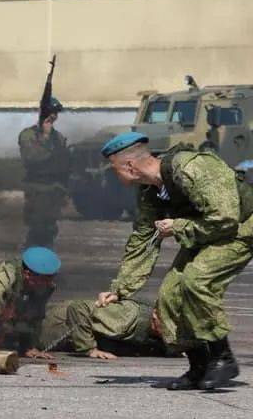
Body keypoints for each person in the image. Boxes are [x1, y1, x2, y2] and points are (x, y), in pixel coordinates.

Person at [97, 132, 253, 390]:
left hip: (241, 228)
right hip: (205, 232)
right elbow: (143, 240)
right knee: (170, 293)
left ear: (129, 166)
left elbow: (226, 217)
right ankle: (199, 366)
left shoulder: (192, 167)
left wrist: (179, 226)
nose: (114, 175)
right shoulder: (150, 192)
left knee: (197, 281)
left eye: (114, 169)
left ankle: (222, 358)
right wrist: (120, 289)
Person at [18, 96, 70, 246]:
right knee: (37, 230)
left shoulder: (58, 137)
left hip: (55, 190)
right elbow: (31, 159)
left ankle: (44, 262)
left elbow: (63, 164)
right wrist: (45, 138)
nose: (52, 116)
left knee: (50, 230)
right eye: (49, 112)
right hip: (37, 189)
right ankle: (31, 262)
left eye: (55, 113)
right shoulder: (28, 135)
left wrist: (65, 190)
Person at [38, 298, 164, 359]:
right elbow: (78, 307)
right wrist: (88, 349)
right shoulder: (128, 318)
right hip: (50, 331)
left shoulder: (161, 334)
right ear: (155, 315)